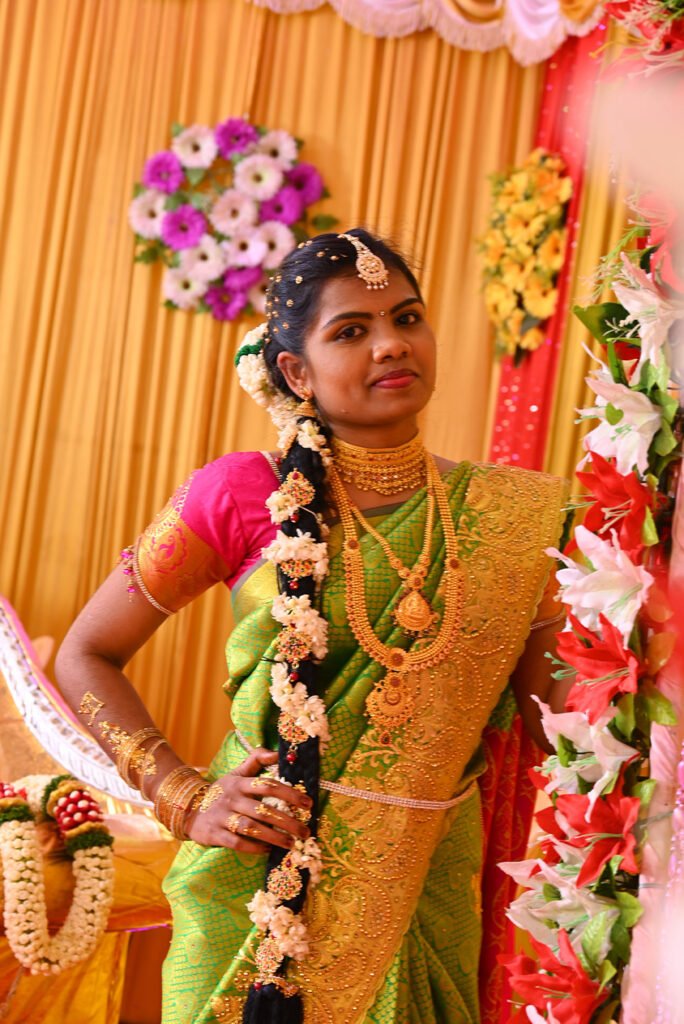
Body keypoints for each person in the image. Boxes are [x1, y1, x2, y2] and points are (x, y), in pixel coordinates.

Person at [55, 229, 569, 1024]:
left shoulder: (514, 517)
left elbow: (555, 719)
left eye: (407, 317)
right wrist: (183, 797)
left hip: (425, 884)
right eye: (351, 332)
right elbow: (87, 654)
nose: (392, 345)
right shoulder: (238, 492)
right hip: (256, 888)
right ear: (296, 370)